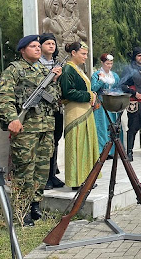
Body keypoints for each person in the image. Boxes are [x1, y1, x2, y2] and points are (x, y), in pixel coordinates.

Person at [0, 35, 62, 226]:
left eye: (38, 46)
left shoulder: (44, 70)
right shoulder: (14, 70)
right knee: (25, 169)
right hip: (26, 129)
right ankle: (21, 210)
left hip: (46, 127)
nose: (37, 49)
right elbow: (5, 98)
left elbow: (55, 98)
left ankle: (36, 206)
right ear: (22, 50)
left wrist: (54, 81)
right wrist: (12, 119)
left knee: (42, 170)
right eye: (33, 46)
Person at [59, 42, 99, 190]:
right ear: (73, 53)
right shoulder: (68, 69)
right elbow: (67, 92)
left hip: (85, 112)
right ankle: (76, 180)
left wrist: (92, 95)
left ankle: (85, 178)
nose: (85, 57)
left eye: (86, 54)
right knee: (77, 145)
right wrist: (89, 95)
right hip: (75, 113)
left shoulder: (78, 69)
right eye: (83, 53)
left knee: (85, 146)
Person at [38, 33, 66, 190]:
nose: (51, 46)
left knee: (55, 141)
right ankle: (44, 178)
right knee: (45, 144)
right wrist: (53, 79)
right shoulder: (37, 65)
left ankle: (51, 174)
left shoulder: (57, 64)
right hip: (43, 111)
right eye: (47, 43)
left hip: (57, 109)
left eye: (53, 43)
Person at [91, 53, 122, 157]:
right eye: (107, 63)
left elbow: (118, 87)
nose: (109, 66)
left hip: (112, 102)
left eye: (111, 63)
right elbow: (93, 88)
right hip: (101, 103)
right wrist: (101, 81)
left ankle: (113, 150)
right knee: (102, 126)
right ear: (102, 63)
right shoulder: (97, 74)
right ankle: (102, 151)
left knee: (112, 126)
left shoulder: (115, 76)